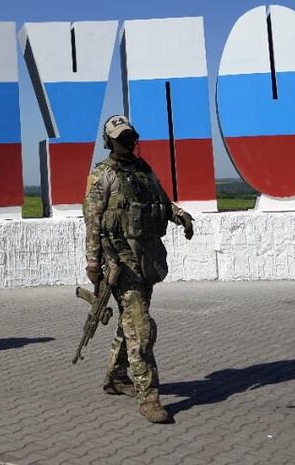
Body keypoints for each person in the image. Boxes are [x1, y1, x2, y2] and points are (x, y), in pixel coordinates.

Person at [83, 115, 195, 423]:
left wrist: (180, 215)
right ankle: (149, 397)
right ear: (110, 142)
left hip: (147, 258)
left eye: (130, 135)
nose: (128, 141)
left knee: (131, 321)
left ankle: (116, 377)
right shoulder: (103, 176)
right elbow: (92, 221)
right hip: (120, 261)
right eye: (121, 138)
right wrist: (93, 263)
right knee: (142, 326)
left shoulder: (143, 170)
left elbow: (161, 202)